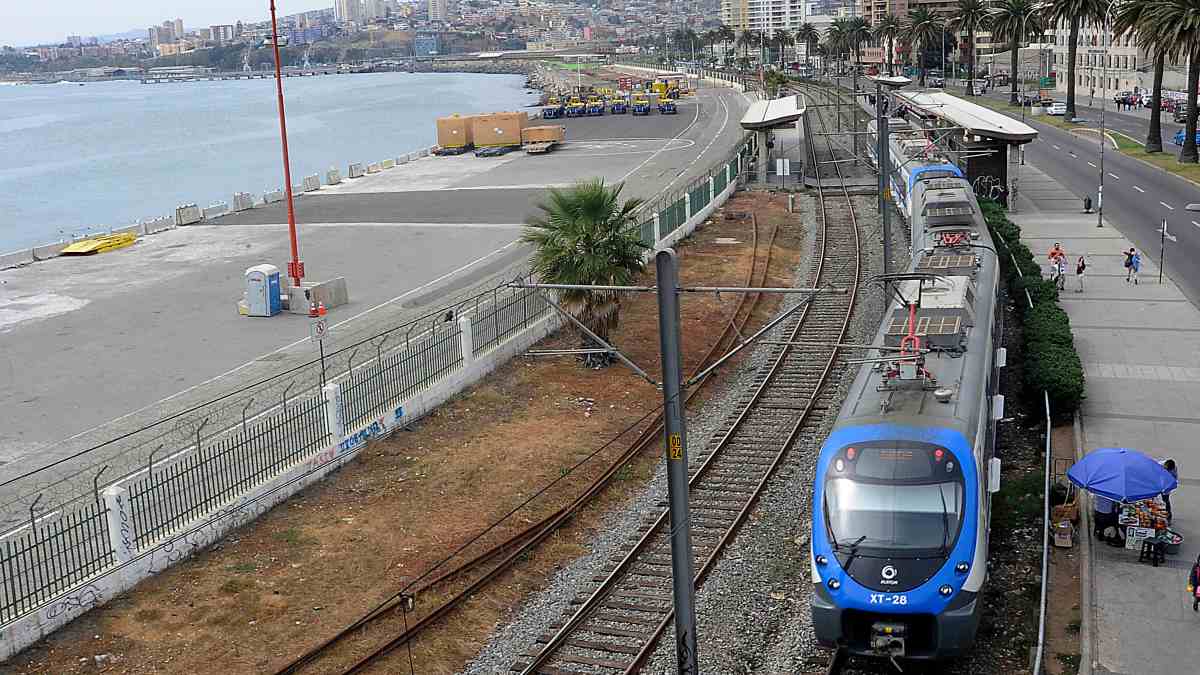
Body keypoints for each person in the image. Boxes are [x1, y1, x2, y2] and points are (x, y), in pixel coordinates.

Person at [1162, 458, 1178, 522]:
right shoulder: (1158, 464)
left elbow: (1174, 479)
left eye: (1168, 470)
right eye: (1166, 468)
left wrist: (1168, 487)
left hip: (1166, 485)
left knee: (1166, 500)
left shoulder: (1174, 469)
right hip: (1157, 483)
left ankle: (1168, 516)